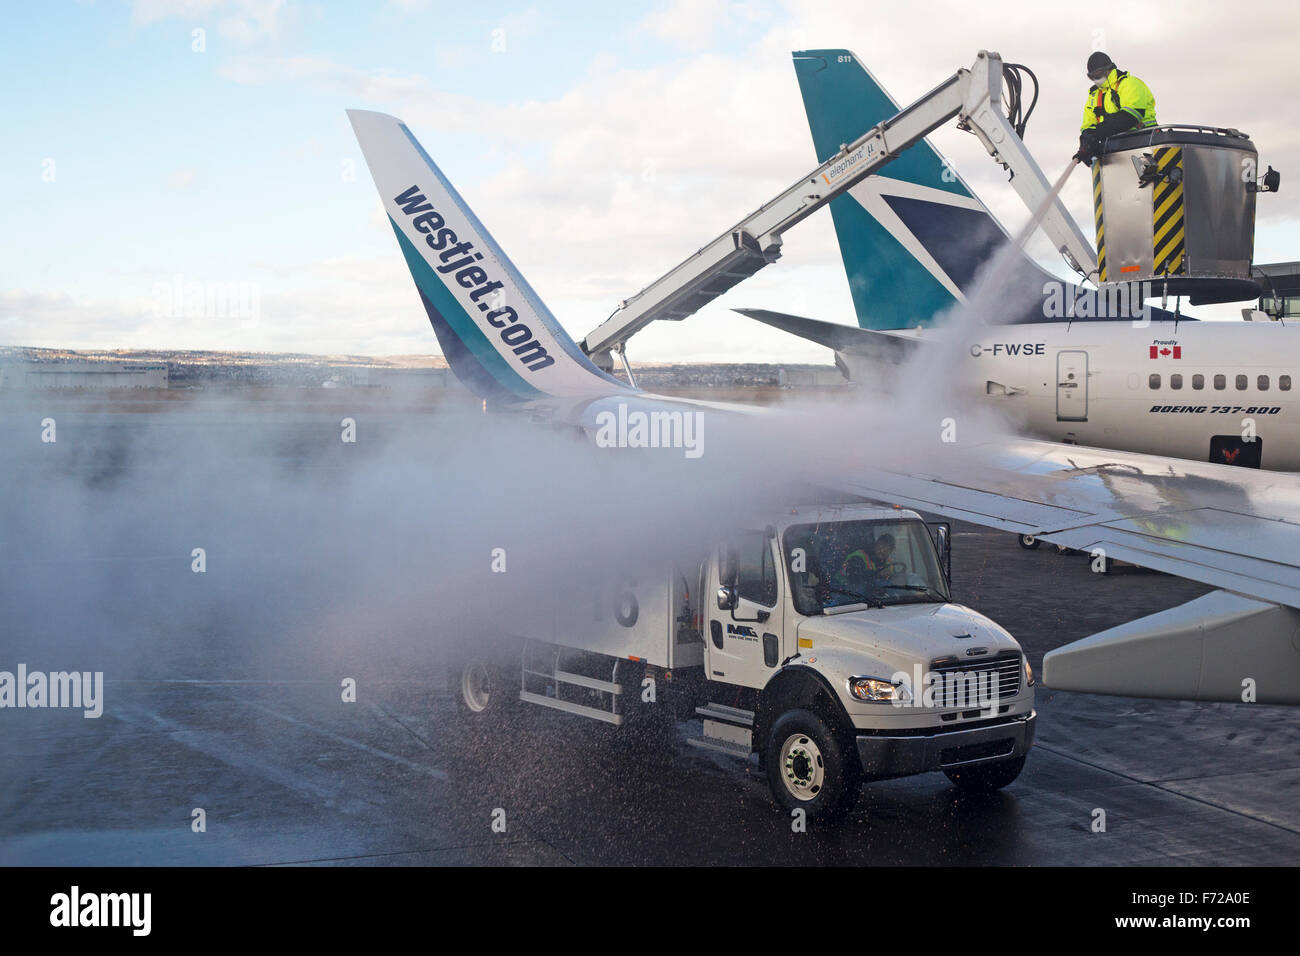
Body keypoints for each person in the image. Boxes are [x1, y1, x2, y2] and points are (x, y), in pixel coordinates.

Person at [1074, 51, 1157, 165]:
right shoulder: (1094, 96)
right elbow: (1088, 126)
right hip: (1112, 153)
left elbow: (1130, 117)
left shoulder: (1130, 83)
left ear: (1109, 69)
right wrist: (1087, 144)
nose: (1095, 79)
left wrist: (1098, 132)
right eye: (1091, 77)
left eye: (1098, 74)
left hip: (1146, 143)